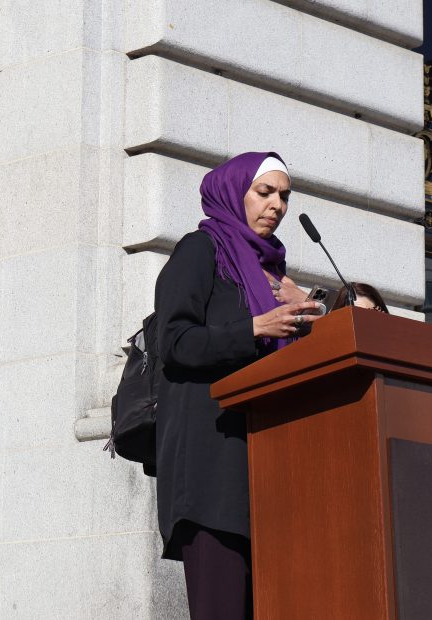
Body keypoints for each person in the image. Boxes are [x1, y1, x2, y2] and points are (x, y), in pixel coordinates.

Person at [154, 152, 321, 620]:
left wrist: (310, 311)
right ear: (234, 192)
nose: (278, 206)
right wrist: (255, 327)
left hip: (269, 471)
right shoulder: (200, 250)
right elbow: (175, 340)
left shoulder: (273, 273)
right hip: (213, 475)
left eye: (284, 196)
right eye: (264, 192)